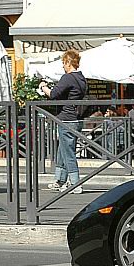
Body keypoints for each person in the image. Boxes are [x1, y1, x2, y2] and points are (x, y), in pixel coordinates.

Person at [40, 49, 88, 193]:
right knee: (62, 149)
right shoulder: (82, 78)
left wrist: (43, 87)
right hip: (77, 118)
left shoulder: (67, 78)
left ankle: (75, 183)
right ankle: (60, 180)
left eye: (63, 63)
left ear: (68, 62)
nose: (62, 66)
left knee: (68, 152)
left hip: (66, 119)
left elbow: (54, 94)